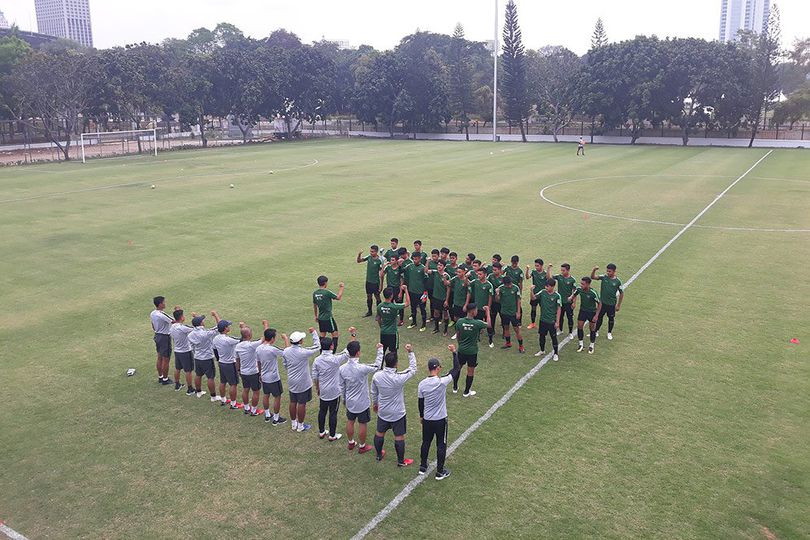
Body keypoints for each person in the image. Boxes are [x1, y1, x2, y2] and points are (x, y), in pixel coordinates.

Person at [417, 344, 461, 480]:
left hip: (428, 419)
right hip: (440, 419)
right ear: (437, 368)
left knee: (426, 442)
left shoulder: (422, 384)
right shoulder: (442, 382)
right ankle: (440, 472)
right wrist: (454, 353)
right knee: (441, 445)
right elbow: (456, 369)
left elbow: (420, 402)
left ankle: (423, 466)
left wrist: (421, 416)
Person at [371, 344, 418, 466]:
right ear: (396, 364)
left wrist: (375, 404)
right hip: (398, 413)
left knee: (379, 433)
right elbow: (413, 369)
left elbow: (374, 391)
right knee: (399, 436)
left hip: (383, 411)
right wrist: (410, 352)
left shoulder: (377, 376)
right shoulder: (399, 378)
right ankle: (401, 461)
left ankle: (378, 455)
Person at [339, 340, 385, 454]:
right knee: (362, 423)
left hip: (350, 401)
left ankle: (351, 442)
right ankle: (362, 446)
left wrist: (344, 399)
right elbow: (377, 366)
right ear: (358, 353)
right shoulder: (362, 368)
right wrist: (380, 350)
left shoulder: (342, 368)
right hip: (362, 402)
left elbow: (341, 386)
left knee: (350, 420)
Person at [312, 326, 356, 441]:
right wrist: (353, 334)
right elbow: (348, 350)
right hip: (334, 391)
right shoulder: (335, 359)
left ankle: (322, 432)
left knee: (322, 411)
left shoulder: (317, 360)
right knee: (333, 413)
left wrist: (318, 388)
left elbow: (315, 377)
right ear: (331, 346)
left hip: (323, 390)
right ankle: (332, 435)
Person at [282, 328, 321, 432]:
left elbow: (285, 364)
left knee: (293, 401)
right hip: (303, 382)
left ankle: (294, 423)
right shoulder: (303, 352)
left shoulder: (286, 351)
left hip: (291, 381)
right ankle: (300, 426)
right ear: (299, 341)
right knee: (302, 403)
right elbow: (318, 346)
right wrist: (314, 333)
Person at [453, 303, 491, 397]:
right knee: (470, 371)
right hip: (472, 352)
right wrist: (488, 312)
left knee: (458, 368)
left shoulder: (460, 321)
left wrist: (461, 344)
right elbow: (489, 325)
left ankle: (454, 387)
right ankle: (466, 392)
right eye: (476, 310)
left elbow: (458, 335)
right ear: (472, 311)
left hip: (461, 350)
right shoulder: (477, 323)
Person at [256, 327, 290, 424]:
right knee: (277, 397)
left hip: (264, 376)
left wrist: (260, 374)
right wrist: (286, 339)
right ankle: (276, 418)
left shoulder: (258, 348)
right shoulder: (272, 349)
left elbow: (258, 362)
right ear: (272, 339)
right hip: (274, 378)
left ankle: (267, 415)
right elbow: (287, 353)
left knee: (266, 395)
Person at [236, 321, 269, 416]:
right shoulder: (251, 345)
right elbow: (265, 339)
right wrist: (266, 325)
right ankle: (254, 411)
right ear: (249, 334)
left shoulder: (238, 346)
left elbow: (237, 360)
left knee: (245, 389)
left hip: (243, 372)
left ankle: (246, 408)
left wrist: (238, 370)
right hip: (253, 372)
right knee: (256, 391)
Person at [188, 311, 221, 401]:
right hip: (207, 358)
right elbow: (220, 326)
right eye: (202, 320)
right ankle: (213, 397)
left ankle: (198, 392)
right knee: (210, 377)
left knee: (198, 375)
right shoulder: (206, 333)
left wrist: (195, 317)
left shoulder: (191, 334)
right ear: (201, 323)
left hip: (197, 357)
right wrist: (216, 315)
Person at [591, 264, 624, 340]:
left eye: (610, 271)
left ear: (614, 271)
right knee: (599, 317)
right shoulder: (604, 277)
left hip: (611, 304)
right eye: (607, 271)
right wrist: (594, 270)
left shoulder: (617, 281)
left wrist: (618, 305)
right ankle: (596, 331)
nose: (608, 273)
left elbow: (621, 293)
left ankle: (609, 332)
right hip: (602, 303)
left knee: (611, 318)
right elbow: (593, 277)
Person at [213, 319, 241, 409]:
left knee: (223, 382)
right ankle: (233, 404)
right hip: (229, 364)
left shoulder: (216, 338)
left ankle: (223, 400)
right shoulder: (228, 339)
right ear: (225, 328)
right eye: (228, 326)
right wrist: (242, 328)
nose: (229, 327)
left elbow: (215, 350)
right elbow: (242, 339)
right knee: (233, 384)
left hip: (221, 363)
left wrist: (218, 359)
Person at [569, 277, 602, 354]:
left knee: (592, 329)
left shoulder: (593, 293)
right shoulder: (579, 289)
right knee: (579, 327)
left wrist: (596, 315)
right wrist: (571, 298)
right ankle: (581, 344)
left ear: (588, 284)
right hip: (583, 311)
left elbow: (600, 304)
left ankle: (591, 345)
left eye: (583, 284)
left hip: (592, 312)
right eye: (581, 283)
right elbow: (574, 294)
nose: (581, 285)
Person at [532, 278, 562, 361]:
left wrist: (557, 322)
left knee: (553, 337)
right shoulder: (543, 292)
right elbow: (534, 298)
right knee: (541, 336)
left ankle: (556, 353)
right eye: (546, 286)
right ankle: (542, 350)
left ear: (553, 287)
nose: (546, 287)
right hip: (543, 320)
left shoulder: (557, 296)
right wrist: (531, 291)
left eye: (548, 286)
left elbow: (559, 309)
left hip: (552, 321)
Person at [313, 276, 344, 351]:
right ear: (325, 283)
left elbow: (315, 305)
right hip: (328, 318)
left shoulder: (315, 293)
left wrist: (316, 316)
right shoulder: (327, 292)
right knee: (335, 334)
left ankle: (321, 352)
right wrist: (341, 288)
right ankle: (333, 352)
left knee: (322, 335)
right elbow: (338, 297)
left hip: (320, 318)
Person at [466, 269, 495, 348]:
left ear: (485, 275)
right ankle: (477, 337)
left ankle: (490, 340)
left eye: (480, 274)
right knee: (476, 323)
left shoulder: (489, 285)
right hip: (477, 308)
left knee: (488, 325)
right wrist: (466, 277)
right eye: (478, 274)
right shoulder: (475, 281)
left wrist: (488, 308)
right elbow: (467, 283)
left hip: (485, 308)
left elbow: (490, 297)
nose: (478, 276)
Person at [170, 308, 196, 395]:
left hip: (177, 350)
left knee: (178, 368)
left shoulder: (172, 327)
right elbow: (195, 329)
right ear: (181, 317)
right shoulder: (182, 328)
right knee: (188, 370)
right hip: (185, 351)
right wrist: (195, 318)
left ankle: (177, 384)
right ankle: (190, 389)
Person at [495, 276, 525, 353]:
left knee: (516, 330)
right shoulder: (501, 288)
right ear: (504, 284)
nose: (509, 285)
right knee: (506, 328)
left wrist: (518, 312)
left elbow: (518, 300)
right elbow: (497, 300)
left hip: (513, 313)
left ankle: (521, 346)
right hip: (504, 312)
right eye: (508, 284)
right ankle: (508, 343)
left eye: (510, 284)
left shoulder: (515, 288)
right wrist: (497, 294)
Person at [377, 286, 409, 354]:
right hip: (392, 333)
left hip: (383, 333)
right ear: (391, 296)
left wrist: (381, 326)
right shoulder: (394, 307)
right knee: (393, 353)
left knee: (382, 352)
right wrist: (406, 290)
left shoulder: (379, 306)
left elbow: (378, 318)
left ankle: (381, 364)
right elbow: (407, 303)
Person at [150, 296, 174, 385]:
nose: (165, 303)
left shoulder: (152, 313)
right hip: (164, 337)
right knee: (166, 359)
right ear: (160, 304)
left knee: (159, 357)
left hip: (157, 336)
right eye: (164, 302)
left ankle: (160, 377)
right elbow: (174, 321)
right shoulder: (162, 314)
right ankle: (165, 379)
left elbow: (153, 325)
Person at [548, 263, 577, 338]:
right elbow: (549, 278)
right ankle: (560, 330)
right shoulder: (559, 277)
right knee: (560, 317)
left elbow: (575, 292)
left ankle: (570, 332)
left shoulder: (572, 280)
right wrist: (548, 269)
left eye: (563, 270)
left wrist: (574, 302)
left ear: (568, 270)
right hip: (560, 302)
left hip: (568, 302)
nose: (562, 272)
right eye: (561, 270)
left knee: (570, 317)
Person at [403, 252, 428, 331]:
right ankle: (414, 322)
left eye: (416, 259)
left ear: (420, 259)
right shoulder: (410, 266)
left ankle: (423, 325)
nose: (414, 261)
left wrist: (425, 293)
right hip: (411, 291)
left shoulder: (423, 268)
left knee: (422, 309)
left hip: (421, 293)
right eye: (413, 259)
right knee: (413, 308)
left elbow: (426, 280)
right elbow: (402, 271)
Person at [357, 245, 384, 317]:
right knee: (369, 296)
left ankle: (379, 313)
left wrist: (381, 285)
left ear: (376, 252)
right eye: (370, 251)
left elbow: (382, 273)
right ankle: (369, 311)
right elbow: (359, 261)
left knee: (377, 297)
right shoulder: (369, 257)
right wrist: (359, 254)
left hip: (375, 282)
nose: (371, 253)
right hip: (368, 281)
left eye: (373, 252)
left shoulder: (379, 260)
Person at [427, 260, 451, 335]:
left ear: (444, 267)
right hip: (435, 297)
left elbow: (448, 289)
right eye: (438, 265)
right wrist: (427, 261)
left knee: (445, 313)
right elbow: (426, 271)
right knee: (436, 312)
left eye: (440, 265)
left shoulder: (446, 275)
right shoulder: (435, 272)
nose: (438, 266)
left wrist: (446, 300)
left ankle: (445, 330)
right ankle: (436, 328)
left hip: (443, 298)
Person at [380, 255, 405, 327]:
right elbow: (381, 275)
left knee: (399, 304)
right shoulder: (388, 268)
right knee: (390, 304)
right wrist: (384, 266)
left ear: (397, 261)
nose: (391, 261)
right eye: (391, 260)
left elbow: (401, 281)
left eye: (393, 260)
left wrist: (400, 292)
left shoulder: (399, 269)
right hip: (389, 288)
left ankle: (401, 320)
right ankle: (391, 318)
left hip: (397, 288)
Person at [447, 266, 470, 339]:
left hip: (463, 303)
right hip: (456, 302)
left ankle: (463, 333)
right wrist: (444, 279)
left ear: (464, 272)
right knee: (456, 318)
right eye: (457, 272)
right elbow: (448, 283)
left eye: (459, 272)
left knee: (463, 319)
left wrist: (466, 305)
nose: (458, 273)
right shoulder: (455, 279)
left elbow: (468, 293)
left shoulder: (467, 281)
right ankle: (457, 332)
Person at [525, 259, 547, 329]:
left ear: (541, 266)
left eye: (538, 266)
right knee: (533, 309)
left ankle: (544, 323)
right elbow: (527, 277)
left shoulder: (545, 273)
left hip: (542, 295)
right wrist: (527, 269)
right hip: (534, 294)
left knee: (543, 309)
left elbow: (549, 279)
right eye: (535, 266)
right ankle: (533, 323)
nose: (536, 267)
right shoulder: (533, 272)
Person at [487, 263, 505, 342]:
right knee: (492, 316)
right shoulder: (490, 276)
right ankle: (492, 330)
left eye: (495, 270)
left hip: (501, 302)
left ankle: (505, 331)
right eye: (493, 269)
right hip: (493, 301)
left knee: (503, 317)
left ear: (500, 270)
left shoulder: (503, 278)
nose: (493, 271)